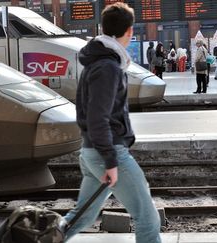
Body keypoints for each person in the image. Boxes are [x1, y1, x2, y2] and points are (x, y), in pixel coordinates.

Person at [63, 3, 162, 243]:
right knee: (147, 217)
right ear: (129, 31)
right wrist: (110, 160)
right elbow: (98, 118)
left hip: (91, 151)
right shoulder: (108, 67)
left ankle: (38, 239)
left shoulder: (98, 62)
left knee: (81, 218)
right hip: (108, 153)